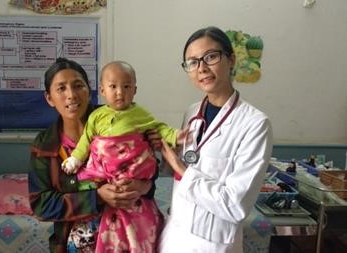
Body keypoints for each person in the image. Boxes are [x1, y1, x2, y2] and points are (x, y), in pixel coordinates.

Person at [158, 26, 273, 253]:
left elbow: (236, 205)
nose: (201, 68)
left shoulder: (255, 124)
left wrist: (180, 167)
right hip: (174, 236)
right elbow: (177, 171)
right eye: (192, 62)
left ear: (231, 59)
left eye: (210, 57)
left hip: (213, 244)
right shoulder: (192, 113)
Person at [28, 58, 156, 253]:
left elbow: (149, 175)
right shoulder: (45, 146)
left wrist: (143, 186)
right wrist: (96, 198)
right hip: (76, 244)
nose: (71, 95)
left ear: (90, 90)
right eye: (61, 89)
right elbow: (41, 205)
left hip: (132, 236)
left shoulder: (124, 123)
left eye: (78, 86)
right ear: (49, 98)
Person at [61, 61, 184, 253]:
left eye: (126, 86)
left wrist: (175, 136)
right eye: (113, 86)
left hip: (133, 177)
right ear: (102, 90)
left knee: (144, 222)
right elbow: (86, 140)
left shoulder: (140, 114)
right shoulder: (97, 116)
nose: (120, 92)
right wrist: (75, 160)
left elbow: (158, 128)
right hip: (100, 183)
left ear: (135, 90)